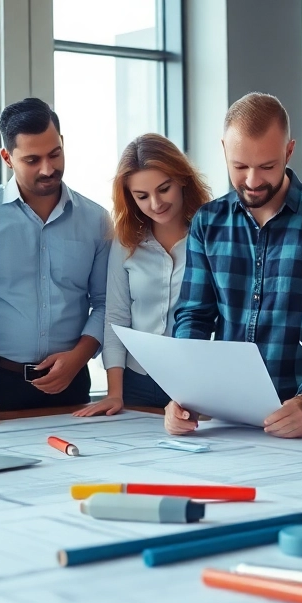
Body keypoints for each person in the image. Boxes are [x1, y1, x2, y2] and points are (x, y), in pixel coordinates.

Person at [164, 93, 302, 439]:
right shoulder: (207, 222)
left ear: (289, 151)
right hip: (225, 421)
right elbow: (194, 316)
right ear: (224, 149)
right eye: (240, 167)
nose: (253, 181)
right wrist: (184, 394)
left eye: (267, 166)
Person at [0, 98, 111, 423]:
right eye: (32, 159)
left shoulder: (96, 220)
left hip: (71, 384)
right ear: (7, 157)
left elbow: (105, 302)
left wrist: (79, 358)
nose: (47, 169)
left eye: (55, 154)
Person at [76, 134, 212, 416]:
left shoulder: (211, 236)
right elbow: (116, 316)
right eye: (142, 196)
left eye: (164, 189)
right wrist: (115, 393)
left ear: (182, 179)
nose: (155, 203)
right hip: (135, 381)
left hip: (195, 383)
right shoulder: (125, 242)